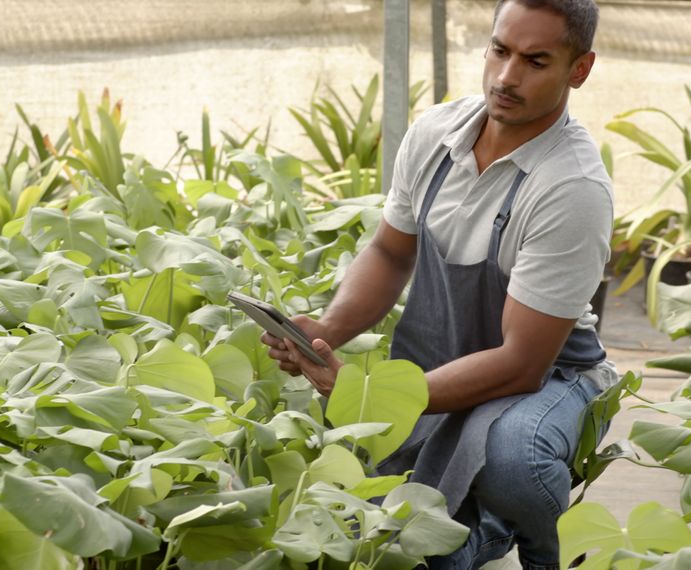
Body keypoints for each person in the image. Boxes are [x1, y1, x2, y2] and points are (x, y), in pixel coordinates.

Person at [262, 0, 616, 567]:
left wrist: (382, 396)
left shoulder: (570, 187)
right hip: (440, 361)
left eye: (535, 60)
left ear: (579, 69)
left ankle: (513, 529)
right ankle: (472, 528)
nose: (506, 77)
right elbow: (388, 251)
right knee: (381, 525)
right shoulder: (436, 135)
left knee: (513, 459)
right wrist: (327, 330)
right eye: (500, 50)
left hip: (550, 379)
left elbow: (523, 362)